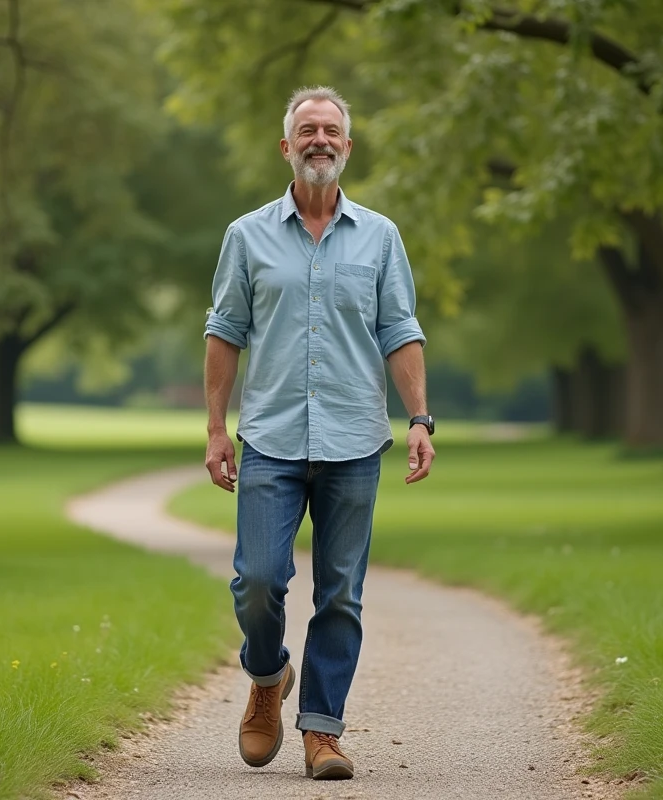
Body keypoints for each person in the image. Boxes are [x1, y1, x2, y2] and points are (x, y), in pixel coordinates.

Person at [202, 85, 435, 781]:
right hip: (270, 436)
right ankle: (268, 675)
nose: (320, 139)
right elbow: (224, 332)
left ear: (348, 147)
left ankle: (323, 733)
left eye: (331, 129)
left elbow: (401, 330)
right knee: (259, 580)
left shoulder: (382, 238)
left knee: (341, 592)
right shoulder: (246, 236)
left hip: (355, 440)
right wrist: (216, 429)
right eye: (307, 129)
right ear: (286, 146)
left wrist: (420, 418)